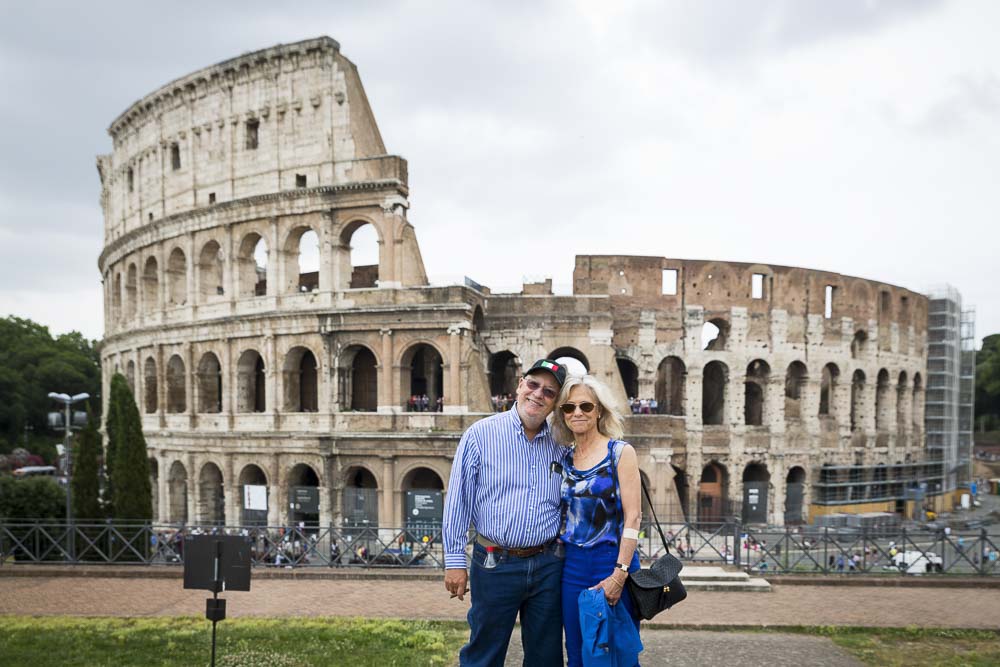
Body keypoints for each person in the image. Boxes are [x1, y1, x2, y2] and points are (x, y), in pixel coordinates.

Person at [442, 358, 568, 667]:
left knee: (546, 656)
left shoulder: (562, 443)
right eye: (533, 384)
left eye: (549, 392)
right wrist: (454, 560)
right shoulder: (481, 434)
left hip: (548, 563)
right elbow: (459, 499)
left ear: (555, 404)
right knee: (484, 652)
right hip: (494, 560)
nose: (538, 394)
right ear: (519, 386)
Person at [552, 374, 642, 667]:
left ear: (599, 410)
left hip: (611, 560)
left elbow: (634, 517)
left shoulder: (620, 452)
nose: (577, 413)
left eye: (585, 406)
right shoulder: (564, 457)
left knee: (614, 652)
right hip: (572, 565)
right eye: (569, 407)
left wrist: (620, 574)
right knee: (577, 652)